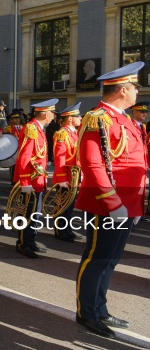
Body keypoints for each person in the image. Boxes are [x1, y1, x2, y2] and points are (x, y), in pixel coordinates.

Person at [75, 62, 146, 339]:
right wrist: (113, 203)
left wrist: (135, 203)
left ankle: (100, 309)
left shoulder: (126, 119)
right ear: (124, 89)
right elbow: (93, 166)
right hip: (109, 206)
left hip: (127, 205)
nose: (137, 93)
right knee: (96, 259)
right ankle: (87, 314)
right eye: (135, 88)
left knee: (110, 261)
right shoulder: (97, 118)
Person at [13, 98, 58, 258]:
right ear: (45, 113)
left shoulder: (38, 129)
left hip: (37, 180)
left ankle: (31, 241)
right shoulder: (31, 128)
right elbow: (24, 158)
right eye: (52, 112)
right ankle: (23, 244)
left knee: (35, 214)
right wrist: (25, 181)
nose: (54, 116)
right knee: (28, 213)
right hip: (30, 182)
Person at [51, 103, 81, 242]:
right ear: (69, 118)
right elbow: (60, 157)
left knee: (70, 204)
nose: (80, 118)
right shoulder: (62, 133)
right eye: (77, 116)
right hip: (65, 176)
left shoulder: (74, 133)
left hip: (73, 176)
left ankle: (67, 228)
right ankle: (60, 230)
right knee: (63, 204)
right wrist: (62, 178)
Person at [5, 110, 24, 184]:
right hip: (13, 149)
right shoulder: (8, 128)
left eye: (18, 118)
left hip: (21, 149)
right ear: (12, 120)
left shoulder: (22, 127)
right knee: (13, 165)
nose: (17, 120)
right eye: (15, 118)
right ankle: (13, 179)